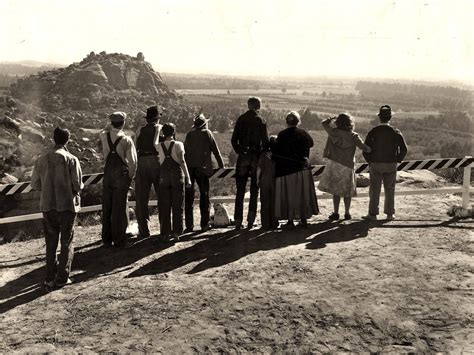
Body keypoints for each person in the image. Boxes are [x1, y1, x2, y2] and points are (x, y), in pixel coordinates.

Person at [31, 127, 83, 289]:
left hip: (48, 206)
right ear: (68, 140)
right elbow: (78, 184)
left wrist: (47, 190)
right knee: (66, 241)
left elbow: (35, 184)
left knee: (51, 242)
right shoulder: (71, 159)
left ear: (54, 139)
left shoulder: (41, 159)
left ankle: (49, 276)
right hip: (66, 205)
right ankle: (62, 277)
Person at [318, 113, 372, 220]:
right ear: (350, 123)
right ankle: (347, 213)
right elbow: (365, 148)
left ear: (338, 123)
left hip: (334, 164)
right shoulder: (354, 136)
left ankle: (336, 212)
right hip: (348, 165)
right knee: (347, 191)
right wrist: (373, 149)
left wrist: (332, 118)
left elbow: (323, 123)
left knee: (336, 191)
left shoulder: (334, 133)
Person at [273, 111, 319, 228]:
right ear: (298, 122)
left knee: (288, 195)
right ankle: (303, 219)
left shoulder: (282, 134)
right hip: (302, 168)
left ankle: (290, 221)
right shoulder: (303, 133)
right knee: (302, 195)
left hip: (286, 169)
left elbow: (276, 151)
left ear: (286, 122)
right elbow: (311, 144)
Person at [362, 105, 408, 220]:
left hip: (376, 163)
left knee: (374, 190)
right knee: (390, 189)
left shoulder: (373, 131)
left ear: (379, 118)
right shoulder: (395, 132)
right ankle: (389, 214)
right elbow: (404, 149)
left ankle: (372, 214)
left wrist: (370, 161)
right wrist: (397, 160)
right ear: (390, 118)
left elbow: (365, 148)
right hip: (391, 164)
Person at [99, 112, 137, 247]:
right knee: (119, 208)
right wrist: (130, 178)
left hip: (108, 173)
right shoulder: (127, 140)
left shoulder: (104, 136)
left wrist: (109, 125)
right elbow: (133, 162)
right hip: (121, 174)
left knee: (107, 207)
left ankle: (106, 239)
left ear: (111, 123)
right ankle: (119, 240)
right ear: (123, 123)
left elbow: (103, 130)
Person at [231, 96, 269, 229]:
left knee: (240, 190)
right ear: (258, 106)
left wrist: (241, 151)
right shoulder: (261, 121)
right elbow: (265, 143)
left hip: (243, 157)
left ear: (248, 106)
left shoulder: (241, 119)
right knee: (254, 190)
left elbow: (233, 140)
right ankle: (250, 221)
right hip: (256, 157)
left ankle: (237, 221)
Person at [184, 114, 225, 232]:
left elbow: (185, 152)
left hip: (190, 168)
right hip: (202, 169)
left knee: (189, 198)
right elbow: (216, 151)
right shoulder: (207, 133)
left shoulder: (189, 134)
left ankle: (189, 225)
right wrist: (221, 165)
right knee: (204, 196)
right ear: (205, 124)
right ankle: (204, 224)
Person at [157, 123, 192, 241]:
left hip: (164, 177)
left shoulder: (159, 146)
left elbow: (159, 159)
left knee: (164, 206)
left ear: (163, 133)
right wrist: (188, 177)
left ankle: (165, 233)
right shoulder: (178, 144)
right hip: (177, 177)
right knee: (177, 205)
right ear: (174, 132)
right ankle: (176, 233)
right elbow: (182, 161)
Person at [134, 105, 163, 238]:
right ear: (157, 119)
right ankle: (164, 227)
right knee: (162, 195)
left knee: (141, 198)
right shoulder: (160, 129)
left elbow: (134, 146)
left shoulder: (139, 129)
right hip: (155, 161)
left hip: (141, 161)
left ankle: (144, 230)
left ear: (147, 119)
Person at [256, 135, 278, 230]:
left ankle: (265, 224)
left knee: (264, 202)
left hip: (264, 180)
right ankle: (274, 223)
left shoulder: (263, 155)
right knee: (274, 202)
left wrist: (257, 179)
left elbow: (259, 169)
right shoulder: (277, 155)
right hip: (275, 180)